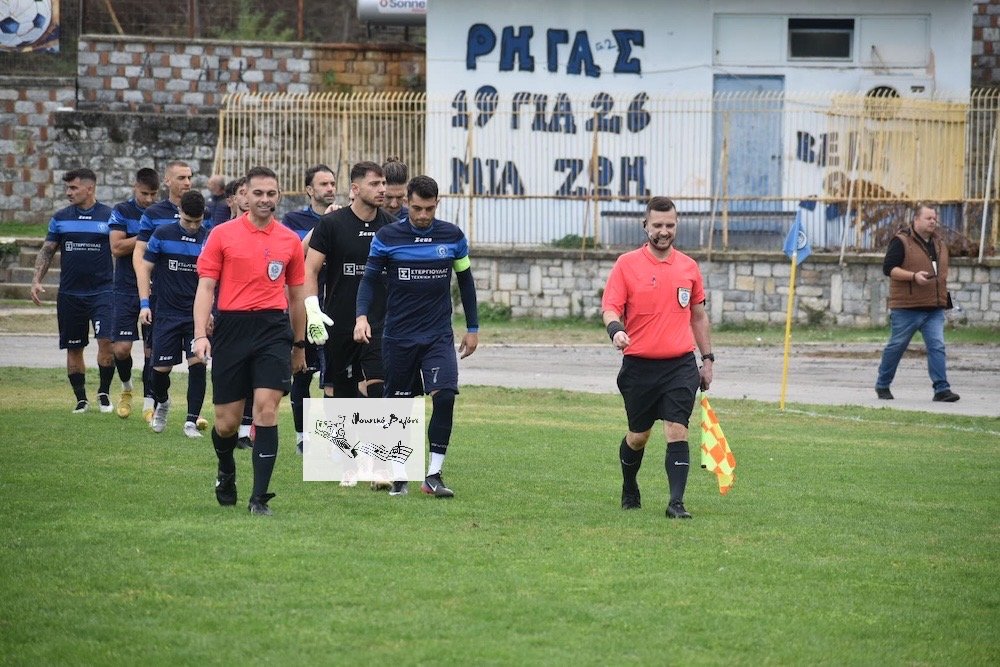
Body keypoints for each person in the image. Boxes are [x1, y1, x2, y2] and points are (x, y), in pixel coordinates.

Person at [354, 175, 480, 498]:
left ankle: (433, 475)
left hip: (437, 334)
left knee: (446, 396)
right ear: (406, 202)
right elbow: (368, 280)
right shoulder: (387, 237)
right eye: (417, 208)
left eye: (429, 208)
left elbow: (465, 281)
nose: (423, 215)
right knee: (398, 404)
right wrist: (362, 316)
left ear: (437, 203)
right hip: (398, 336)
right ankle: (398, 475)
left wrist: (473, 328)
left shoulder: (453, 236)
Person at [193, 166, 307, 516]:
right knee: (226, 423)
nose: (265, 200)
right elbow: (206, 287)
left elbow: (298, 297)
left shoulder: (289, 240)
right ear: (245, 195)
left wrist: (299, 345)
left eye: (271, 194)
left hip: (273, 329)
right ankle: (226, 469)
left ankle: (259, 498)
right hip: (232, 328)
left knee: (266, 411)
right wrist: (200, 334)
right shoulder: (222, 235)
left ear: (279, 196)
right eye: (258, 193)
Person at [601, 196, 714, 519]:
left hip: (679, 364)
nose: (664, 232)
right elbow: (610, 307)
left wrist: (707, 360)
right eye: (658, 225)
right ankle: (629, 485)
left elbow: (698, 316)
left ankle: (676, 503)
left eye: (670, 225)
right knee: (639, 436)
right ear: (645, 226)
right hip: (639, 366)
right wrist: (616, 330)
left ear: (676, 225)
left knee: (677, 429)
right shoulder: (627, 264)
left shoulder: (689, 268)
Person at [305, 161, 394, 404]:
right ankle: (345, 443)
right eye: (374, 184)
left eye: (383, 183)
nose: (382, 189)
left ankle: (377, 442)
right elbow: (309, 270)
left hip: (379, 322)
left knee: (379, 388)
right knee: (342, 397)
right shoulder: (331, 224)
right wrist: (313, 313)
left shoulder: (390, 227)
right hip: (339, 322)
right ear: (355, 188)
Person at [31, 168, 117, 413]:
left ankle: (104, 393)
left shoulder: (109, 216)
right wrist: (36, 280)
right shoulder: (60, 217)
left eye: (73, 188)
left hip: (103, 292)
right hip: (70, 294)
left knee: (106, 343)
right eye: (67, 188)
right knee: (74, 347)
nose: (68, 192)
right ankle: (81, 399)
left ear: (89, 188)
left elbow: (120, 250)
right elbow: (47, 250)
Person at [137, 191, 210, 438]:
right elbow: (145, 267)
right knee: (159, 370)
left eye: (197, 222)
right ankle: (163, 403)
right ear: (179, 213)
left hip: (195, 315)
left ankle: (190, 421)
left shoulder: (208, 238)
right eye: (188, 221)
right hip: (165, 313)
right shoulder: (162, 234)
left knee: (198, 364)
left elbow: (214, 280)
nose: (192, 226)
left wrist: (212, 311)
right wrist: (144, 303)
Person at [875, 203, 959, 402]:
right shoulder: (901, 241)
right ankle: (882, 384)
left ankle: (941, 389)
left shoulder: (939, 244)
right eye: (928, 218)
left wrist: (944, 300)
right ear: (916, 220)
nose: (933, 221)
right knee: (896, 346)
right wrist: (913, 276)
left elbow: (940, 276)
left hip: (934, 308)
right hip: (907, 308)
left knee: (937, 346)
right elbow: (889, 269)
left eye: (934, 218)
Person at [133, 160, 195, 422]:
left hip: (191, 302)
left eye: (189, 177)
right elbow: (140, 254)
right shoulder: (154, 214)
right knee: (155, 358)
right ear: (167, 181)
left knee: (198, 363)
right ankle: (154, 401)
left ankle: (192, 417)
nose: (187, 182)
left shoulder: (200, 211)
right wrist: (144, 293)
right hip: (162, 298)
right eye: (181, 177)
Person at [283, 164, 337, 454]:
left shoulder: (345, 218)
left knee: (333, 379)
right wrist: (324, 226)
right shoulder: (293, 219)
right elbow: (293, 256)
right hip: (304, 306)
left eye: (332, 183)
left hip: (334, 308)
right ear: (310, 190)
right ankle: (303, 436)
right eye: (323, 184)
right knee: (302, 373)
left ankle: (330, 439)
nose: (330, 188)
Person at [108, 167, 160, 418]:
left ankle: (150, 403)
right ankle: (127, 387)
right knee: (121, 349)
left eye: (153, 194)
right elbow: (117, 247)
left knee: (152, 351)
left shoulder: (164, 214)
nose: (149, 199)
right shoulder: (122, 210)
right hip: (126, 289)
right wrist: (146, 236)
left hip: (157, 290)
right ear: (134, 187)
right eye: (144, 193)